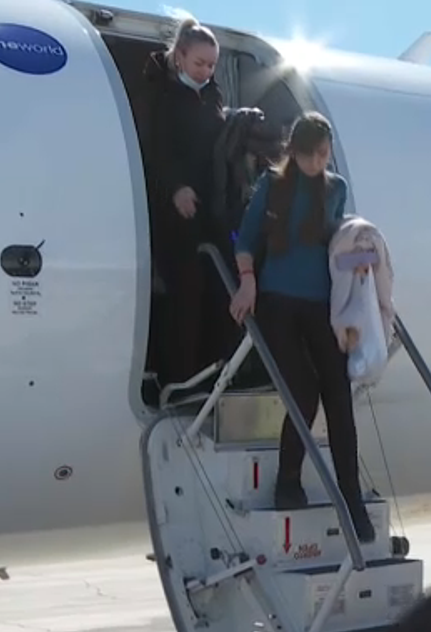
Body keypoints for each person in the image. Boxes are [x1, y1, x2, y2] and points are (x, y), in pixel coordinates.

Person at [229, 112, 376, 543]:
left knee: (339, 396)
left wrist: (362, 260)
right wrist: (247, 281)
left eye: (323, 155)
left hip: (320, 304)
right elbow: (245, 240)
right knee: (304, 391)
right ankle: (287, 480)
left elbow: (334, 247)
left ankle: (351, 498)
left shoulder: (335, 189)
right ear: (294, 151)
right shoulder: (272, 185)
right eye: (309, 155)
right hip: (277, 302)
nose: (316, 163)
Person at [141, 16, 234, 388]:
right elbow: (156, 150)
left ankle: (214, 374)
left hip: (209, 208)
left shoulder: (213, 95)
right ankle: (178, 377)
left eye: (212, 65)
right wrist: (175, 187)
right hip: (174, 210)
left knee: (218, 290)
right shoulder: (160, 95)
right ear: (179, 57)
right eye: (199, 63)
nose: (206, 72)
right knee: (186, 292)